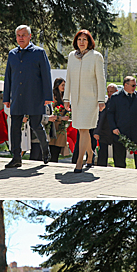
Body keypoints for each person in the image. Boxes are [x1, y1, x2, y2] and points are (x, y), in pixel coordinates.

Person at [2, 25, 52, 170]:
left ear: (30, 36)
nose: (21, 38)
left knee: (35, 125)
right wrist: (6, 97)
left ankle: (45, 149)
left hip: (35, 96)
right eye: (18, 35)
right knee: (15, 127)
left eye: (24, 35)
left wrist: (47, 96)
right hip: (17, 96)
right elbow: (8, 78)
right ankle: (16, 157)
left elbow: (46, 75)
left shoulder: (39, 52)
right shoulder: (12, 54)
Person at [64, 29, 106, 173]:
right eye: (79, 39)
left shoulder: (96, 56)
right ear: (76, 41)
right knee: (83, 129)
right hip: (76, 99)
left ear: (89, 42)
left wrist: (101, 100)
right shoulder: (71, 56)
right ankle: (90, 155)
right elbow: (68, 77)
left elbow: (101, 79)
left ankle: (79, 162)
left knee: (83, 129)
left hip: (91, 99)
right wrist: (66, 98)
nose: (81, 42)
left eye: (85, 40)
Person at [105, 76, 137, 170]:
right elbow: (110, 114)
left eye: (135, 85)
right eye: (133, 85)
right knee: (119, 158)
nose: (135, 87)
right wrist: (113, 128)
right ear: (126, 85)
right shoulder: (116, 97)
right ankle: (120, 175)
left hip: (136, 131)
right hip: (120, 132)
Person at [95, 84, 118, 167]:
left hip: (116, 132)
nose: (109, 94)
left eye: (111, 92)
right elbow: (100, 119)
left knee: (117, 155)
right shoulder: (104, 103)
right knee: (102, 154)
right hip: (104, 132)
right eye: (108, 92)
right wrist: (97, 132)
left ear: (116, 92)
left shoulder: (119, 103)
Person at [48, 77, 68, 163]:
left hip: (61, 126)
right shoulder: (53, 96)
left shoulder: (65, 97)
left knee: (58, 148)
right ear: (57, 85)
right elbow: (51, 112)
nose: (64, 87)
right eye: (62, 85)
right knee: (53, 148)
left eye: (65, 85)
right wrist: (61, 118)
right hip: (54, 125)